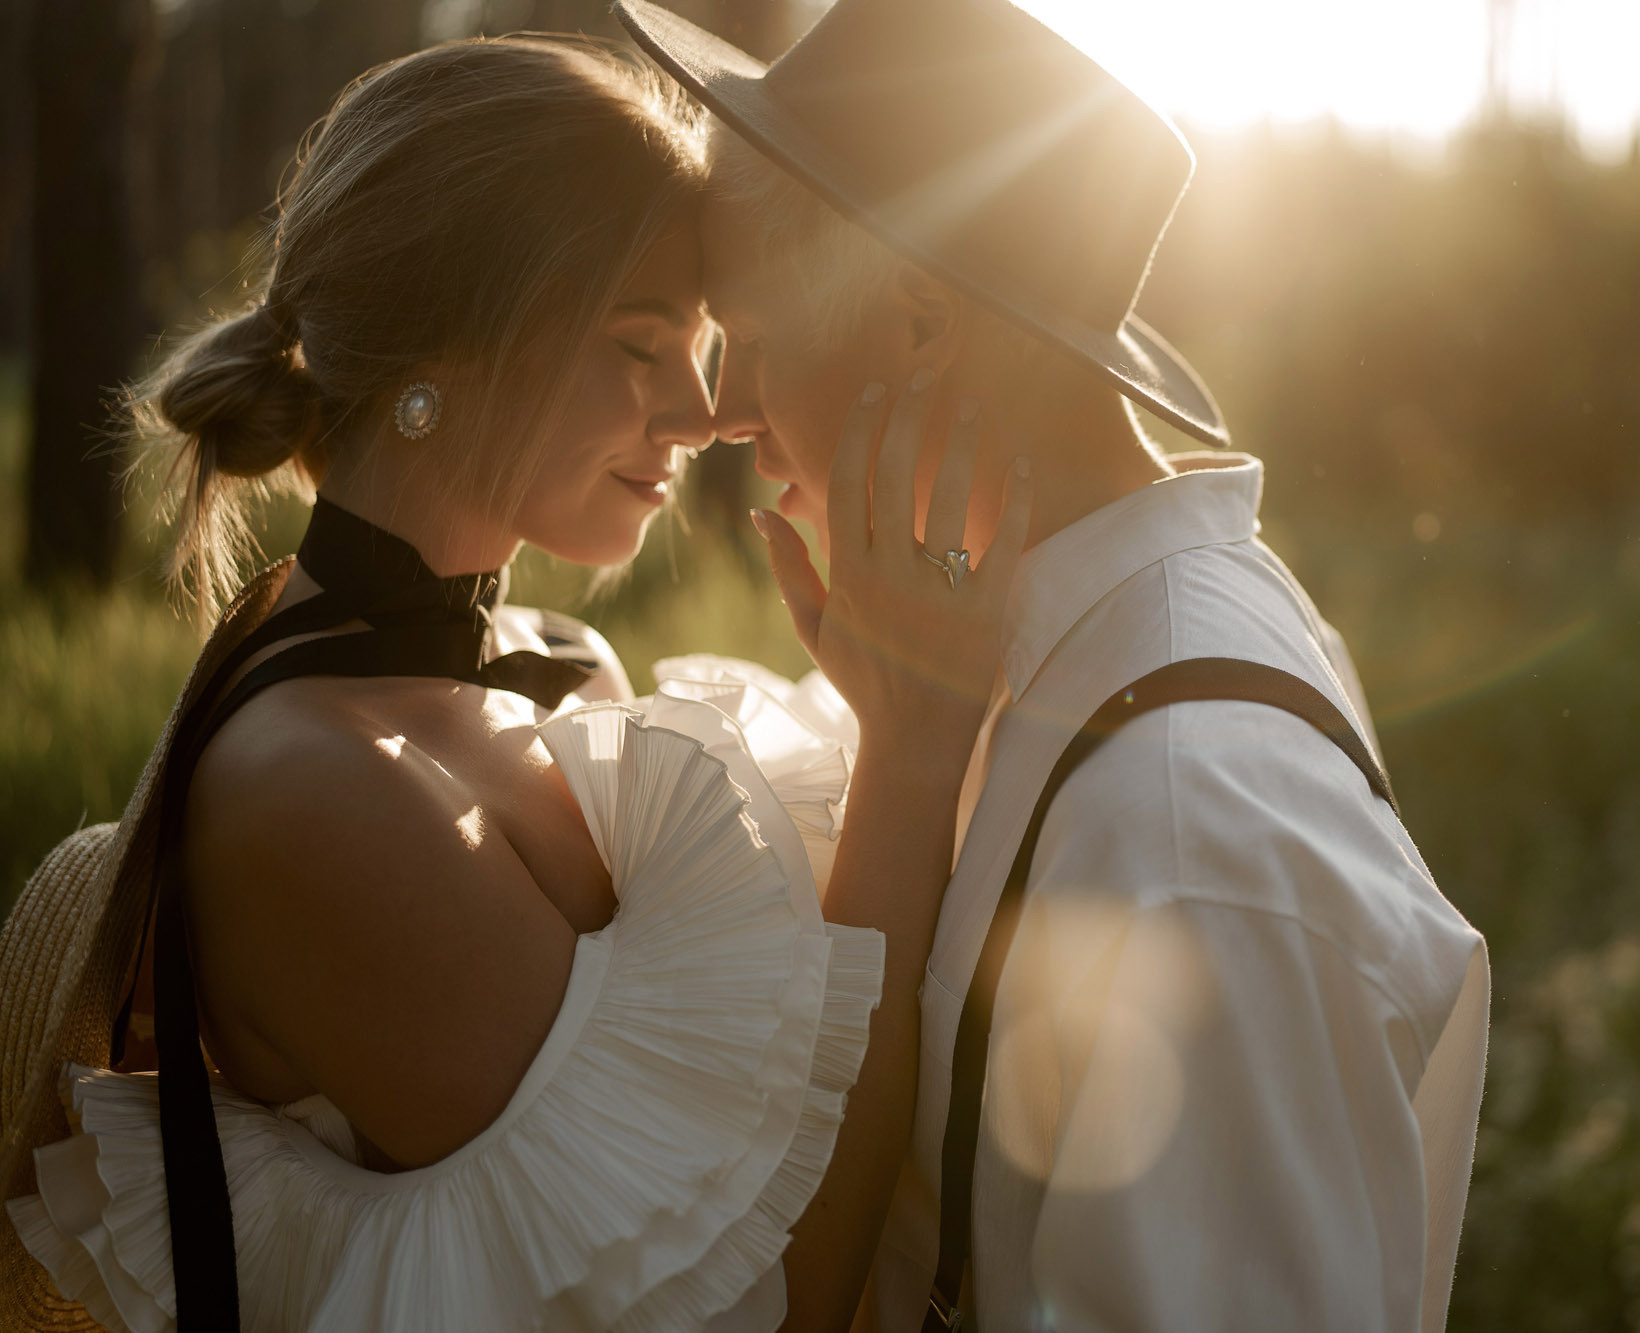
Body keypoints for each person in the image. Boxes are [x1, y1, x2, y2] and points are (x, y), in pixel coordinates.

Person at [0, 34, 1031, 1332]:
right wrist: (913, 755)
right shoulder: (305, 793)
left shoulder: (556, 663)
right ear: (449, 345)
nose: (703, 412)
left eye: (700, 342)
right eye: (642, 343)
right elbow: (775, 1305)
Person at [615, 0, 1493, 1328]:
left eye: (751, 331)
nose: (725, 411)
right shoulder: (1034, 665)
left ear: (918, 324)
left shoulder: (1200, 837)